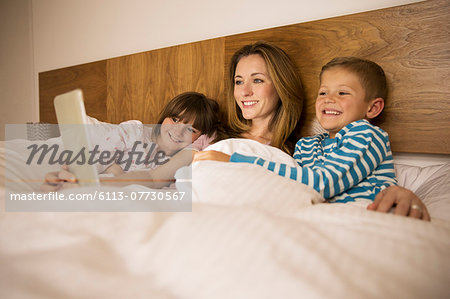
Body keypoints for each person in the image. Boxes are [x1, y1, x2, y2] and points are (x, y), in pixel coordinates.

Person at [194, 42, 430, 220]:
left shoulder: (292, 150)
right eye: (238, 81)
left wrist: (232, 160)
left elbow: (310, 187)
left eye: (257, 80)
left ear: (281, 86)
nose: (244, 91)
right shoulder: (213, 135)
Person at [202, 57, 398, 203]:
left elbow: (318, 184)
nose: (328, 99)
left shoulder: (366, 134)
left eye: (342, 93)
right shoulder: (307, 145)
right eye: (323, 92)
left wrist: (234, 160)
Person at [41, 91, 220, 190]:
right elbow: (97, 158)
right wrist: (74, 172)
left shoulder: (181, 163)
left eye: (191, 129)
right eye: (174, 119)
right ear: (165, 116)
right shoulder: (134, 132)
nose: (178, 130)